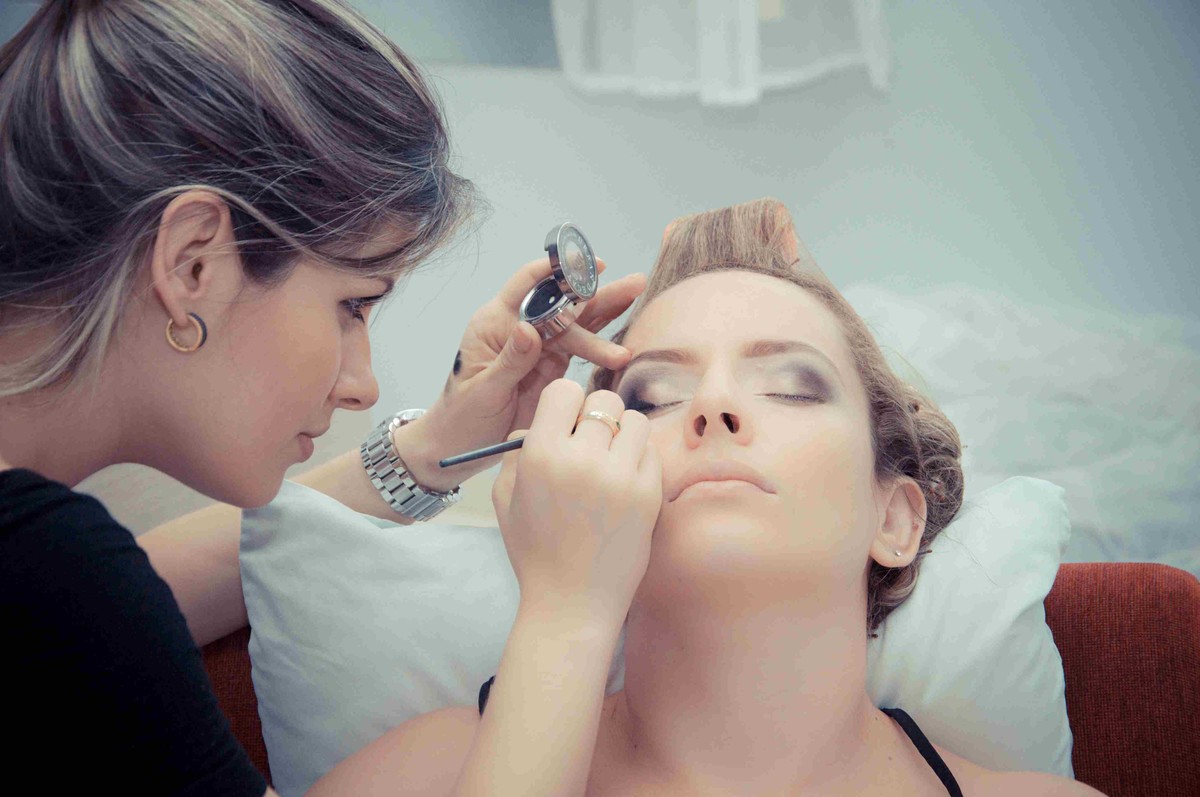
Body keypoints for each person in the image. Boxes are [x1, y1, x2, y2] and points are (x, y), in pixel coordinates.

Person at [0, 1, 659, 795]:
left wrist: (432, 449)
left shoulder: (50, 573)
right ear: (193, 264)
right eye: (352, 305)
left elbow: (117, 611)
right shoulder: (49, 569)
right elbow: (87, 606)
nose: (362, 385)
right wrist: (569, 613)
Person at [310, 199, 1108, 796]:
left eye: (792, 388)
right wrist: (556, 599)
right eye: (653, 396)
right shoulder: (422, 775)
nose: (713, 407)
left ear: (896, 518)